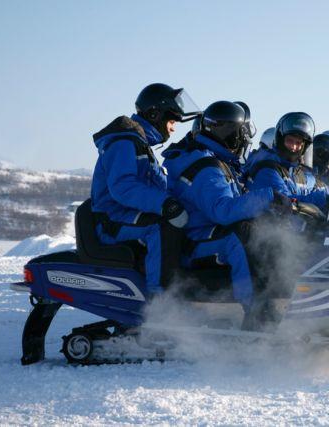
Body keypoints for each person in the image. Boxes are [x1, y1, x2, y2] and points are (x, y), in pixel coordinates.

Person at [161, 100, 293, 327]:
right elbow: (222, 210)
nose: (244, 141)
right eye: (241, 134)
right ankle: (256, 314)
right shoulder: (206, 167)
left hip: (207, 231)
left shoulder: (217, 162)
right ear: (229, 134)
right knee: (241, 237)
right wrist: (267, 196)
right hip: (196, 238)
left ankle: (283, 301)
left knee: (267, 233)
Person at [91, 83, 201, 295]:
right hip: (112, 220)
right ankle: (161, 303)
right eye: (171, 121)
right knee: (161, 228)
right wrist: (165, 204)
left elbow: (157, 187)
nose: (173, 128)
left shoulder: (140, 144)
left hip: (125, 215)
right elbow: (123, 186)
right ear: (154, 115)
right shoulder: (124, 142)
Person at [244, 112, 327, 210]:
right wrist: (324, 200)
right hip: (267, 223)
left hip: (295, 224)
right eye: (289, 141)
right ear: (280, 140)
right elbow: (285, 202)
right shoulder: (267, 169)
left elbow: (314, 186)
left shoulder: (295, 171)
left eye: (298, 143)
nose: (294, 147)